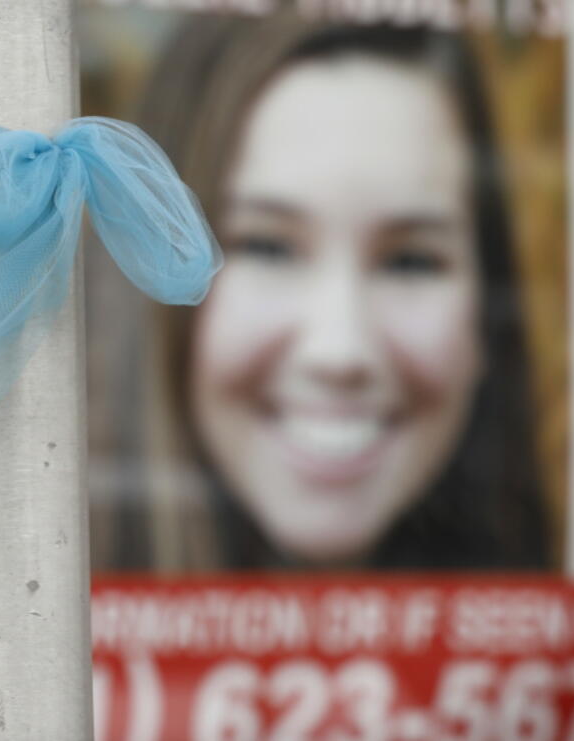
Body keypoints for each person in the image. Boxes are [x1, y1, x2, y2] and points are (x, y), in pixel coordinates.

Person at [136, 14, 549, 569]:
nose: (340, 351)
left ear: (484, 313)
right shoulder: (35, 640)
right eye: (268, 248)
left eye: (410, 261)